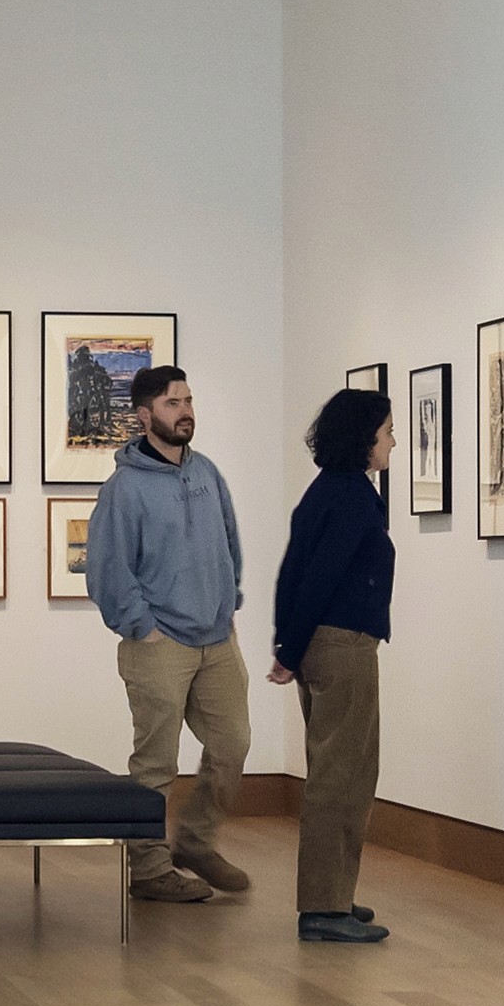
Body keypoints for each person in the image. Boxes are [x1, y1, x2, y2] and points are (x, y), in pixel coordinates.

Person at [83, 362, 251, 904]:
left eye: (188, 401)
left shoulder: (207, 474)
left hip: (217, 639)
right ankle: (150, 868)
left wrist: (229, 605)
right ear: (144, 415)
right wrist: (143, 628)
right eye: (173, 403)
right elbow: (107, 569)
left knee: (232, 744)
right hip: (159, 644)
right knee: (156, 762)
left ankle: (196, 843)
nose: (186, 412)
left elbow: (230, 546)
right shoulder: (124, 489)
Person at [269, 384, 395, 944]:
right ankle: (324, 906)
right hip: (343, 646)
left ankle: (334, 894)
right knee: (343, 776)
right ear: (364, 439)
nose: (393, 442)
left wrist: (288, 647)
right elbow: (317, 577)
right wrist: (289, 651)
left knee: (338, 772)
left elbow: (292, 572)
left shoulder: (326, 491)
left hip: (322, 644)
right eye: (388, 432)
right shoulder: (351, 498)